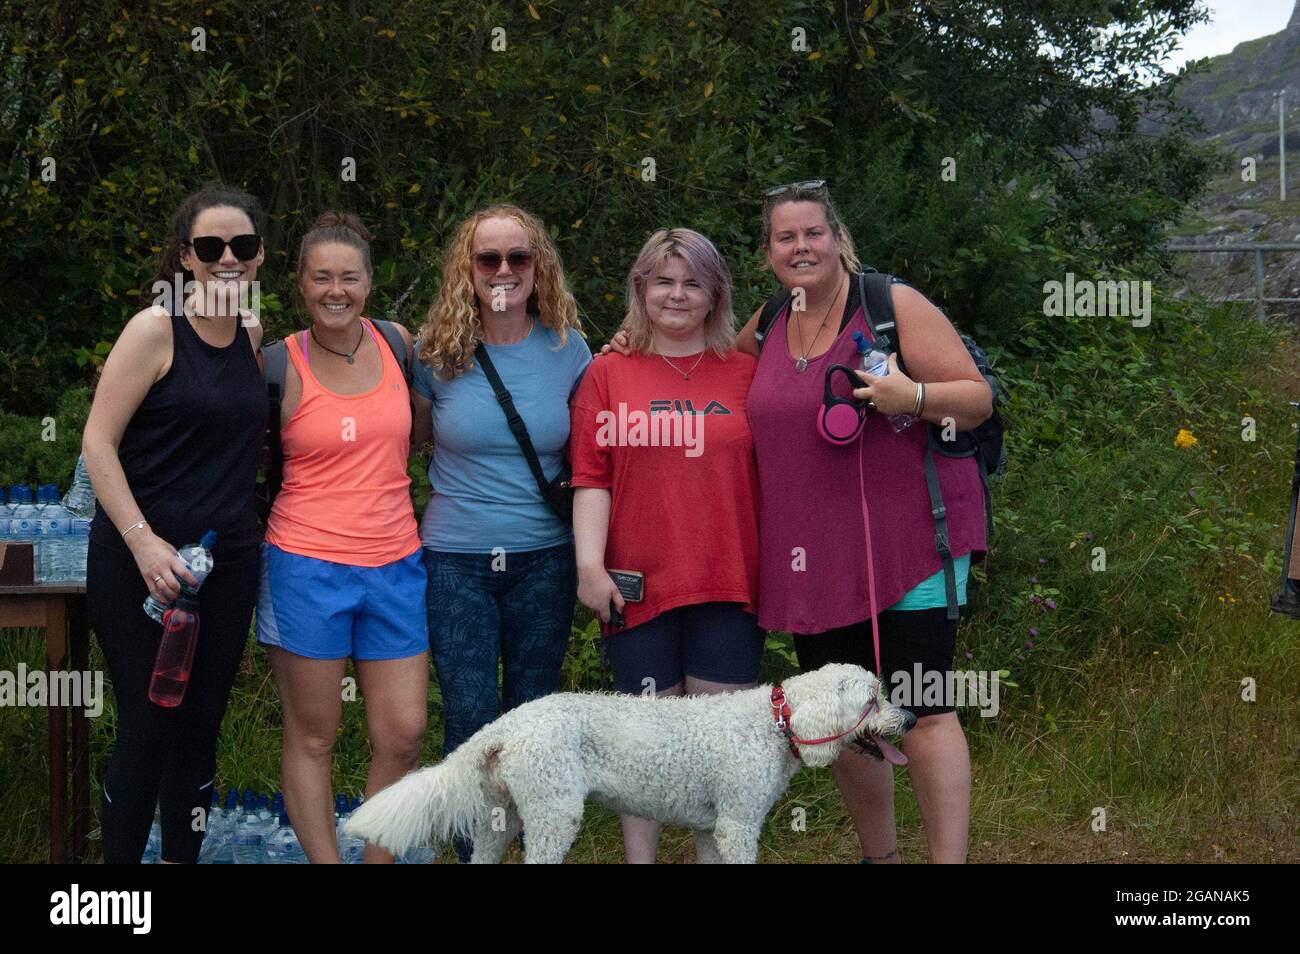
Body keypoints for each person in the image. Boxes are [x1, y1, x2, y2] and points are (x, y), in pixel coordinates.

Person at [603, 181, 992, 863]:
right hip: (815, 559)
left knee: (923, 710)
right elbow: (703, 365)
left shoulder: (890, 304)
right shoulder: (772, 321)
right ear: (769, 252)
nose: (801, 246)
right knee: (846, 721)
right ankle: (882, 858)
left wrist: (915, 394)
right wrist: (633, 346)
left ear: (838, 239)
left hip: (913, 544)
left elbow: (978, 401)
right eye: (786, 237)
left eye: (813, 233)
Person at [83, 183, 268, 863]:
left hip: (226, 565)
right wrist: (143, 543)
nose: (228, 259)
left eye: (242, 247)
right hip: (141, 566)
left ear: (258, 257)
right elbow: (97, 443)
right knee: (149, 723)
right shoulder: (155, 329)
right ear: (186, 256)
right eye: (211, 246)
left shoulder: (251, 333)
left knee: (200, 728)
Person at [570, 227, 762, 863]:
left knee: (720, 749)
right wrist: (588, 567)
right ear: (640, 288)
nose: (676, 295)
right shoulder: (606, 372)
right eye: (663, 281)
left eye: (692, 283)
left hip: (729, 582)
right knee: (645, 750)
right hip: (636, 583)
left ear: (715, 295)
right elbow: (591, 477)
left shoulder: (749, 375)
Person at [411, 204, 590, 862]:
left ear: (538, 264)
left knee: (533, 719)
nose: (505, 271)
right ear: (469, 269)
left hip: (545, 558)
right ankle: (473, 854)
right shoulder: (436, 354)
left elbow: (590, 458)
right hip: (455, 559)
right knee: (470, 718)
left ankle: (528, 848)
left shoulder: (569, 349)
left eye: (519, 257)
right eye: (489, 259)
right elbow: (410, 442)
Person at [257, 212, 427, 864]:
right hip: (304, 564)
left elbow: (441, 425)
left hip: (396, 563)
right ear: (299, 285)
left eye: (348, 277)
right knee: (314, 737)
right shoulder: (277, 362)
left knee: (404, 732)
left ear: (369, 282)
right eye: (321, 277)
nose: (336, 289)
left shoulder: (398, 345)